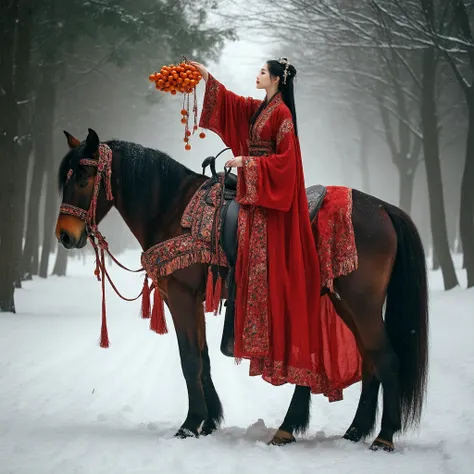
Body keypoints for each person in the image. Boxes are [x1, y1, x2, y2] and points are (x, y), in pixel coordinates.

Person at [191, 58, 355, 400]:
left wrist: (247, 163)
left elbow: (287, 163)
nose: (258, 75)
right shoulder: (261, 108)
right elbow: (232, 104)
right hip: (256, 196)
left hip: (270, 204)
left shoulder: (282, 115)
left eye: (263, 72)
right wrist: (205, 76)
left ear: (278, 79)